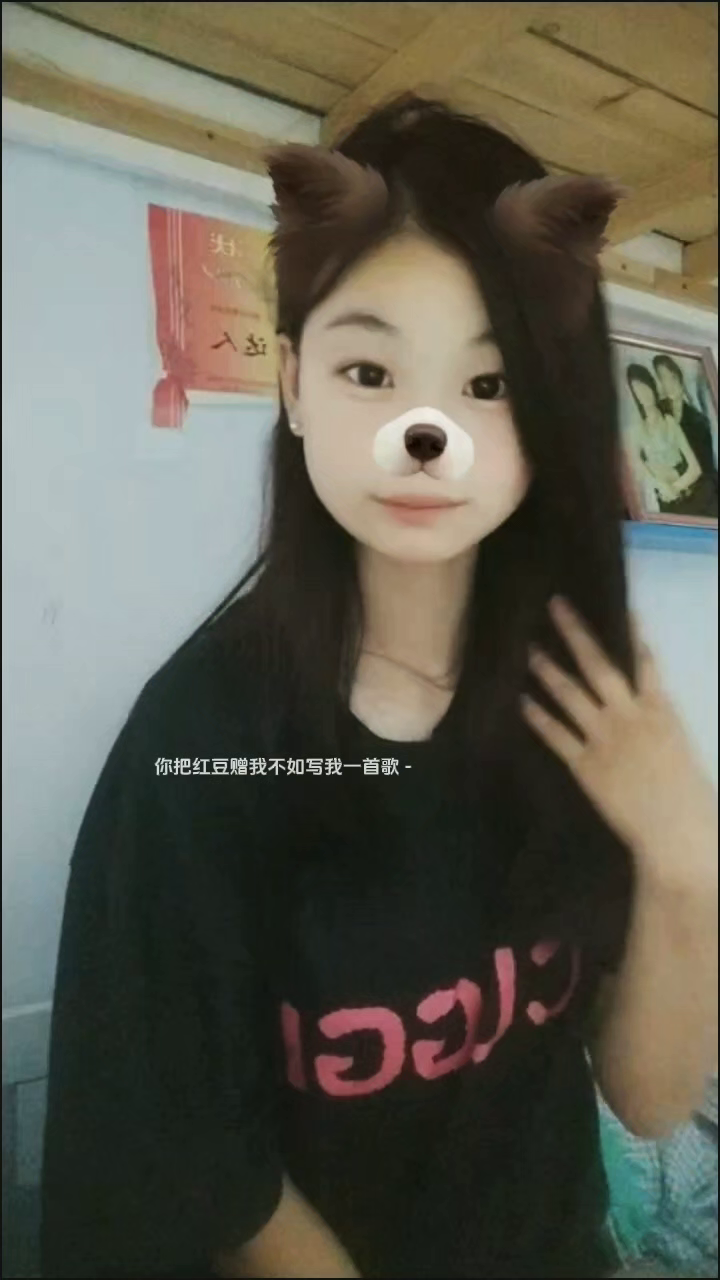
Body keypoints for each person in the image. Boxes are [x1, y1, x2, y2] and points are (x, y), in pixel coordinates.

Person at [40, 96, 718, 1280]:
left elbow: (649, 1099)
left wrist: (687, 859)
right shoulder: (205, 740)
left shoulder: (580, 698)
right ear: (296, 385)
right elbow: (210, 1175)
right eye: (370, 368)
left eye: (490, 384)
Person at [625, 364, 716, 519]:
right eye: (637, 390)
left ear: (653, 386)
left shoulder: (670, 422)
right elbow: (638, 467)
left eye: (645, 387)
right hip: (666, 504)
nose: (643, 394)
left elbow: (695, 468)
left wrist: (673, 488)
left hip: (690, 493)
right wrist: (660, 485)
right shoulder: (636, 430)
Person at [652, 353, 718, 490]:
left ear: (680, 377)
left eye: (672, 377)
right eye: (662, 378)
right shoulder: (658, 410)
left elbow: (706, 470)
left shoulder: (698, 422)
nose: (668, 384)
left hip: (696, 488)